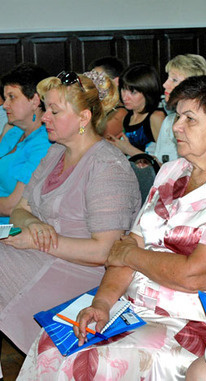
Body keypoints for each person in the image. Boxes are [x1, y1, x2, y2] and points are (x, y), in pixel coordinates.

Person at [18, 75, 206, 380]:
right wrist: (101, 304)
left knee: (86, 361)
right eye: (177, 116)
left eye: (189, 119)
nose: (176, 126)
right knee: (52, 342)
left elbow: (197, 274)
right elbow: (124, 248)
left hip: (199, 325)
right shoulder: (172, 173)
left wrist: (133, 256)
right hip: (135, 309)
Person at [0, 70, 141, 359]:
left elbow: (106, 251)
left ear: (83, 118)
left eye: (54, 111)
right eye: (46, 109)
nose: (44, 118)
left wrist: (38, 240)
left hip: (81, 275)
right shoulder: (55, 153)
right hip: (46, 257)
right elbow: (19, 210)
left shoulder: (108, 167)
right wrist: (33, 224)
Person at [109, 54, 206, 163]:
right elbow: (161, 164)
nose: (165, 84)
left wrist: (128, 149)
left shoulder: (204, 122)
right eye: (168, 78)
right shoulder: (169, 121)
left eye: (174, 80)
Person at [0, 63, 51, 224]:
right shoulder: (15, 131)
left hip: (14, 225)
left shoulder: (45, 143)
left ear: (35, 100)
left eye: (12, 97)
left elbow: (12, 205)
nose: (4, 105)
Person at [113, 62, 165, 153]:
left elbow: (167, 158)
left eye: (133, 92)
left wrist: (127, 149)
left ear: (147, 92)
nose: (125, 97)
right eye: (123, 89)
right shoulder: (128, 117)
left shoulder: (156, 117)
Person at [88, 56, 127, 137]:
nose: (92, 83)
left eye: (98, 78)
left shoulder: (120, 113)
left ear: (116, 82)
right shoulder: (96, 107)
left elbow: (93, 140)